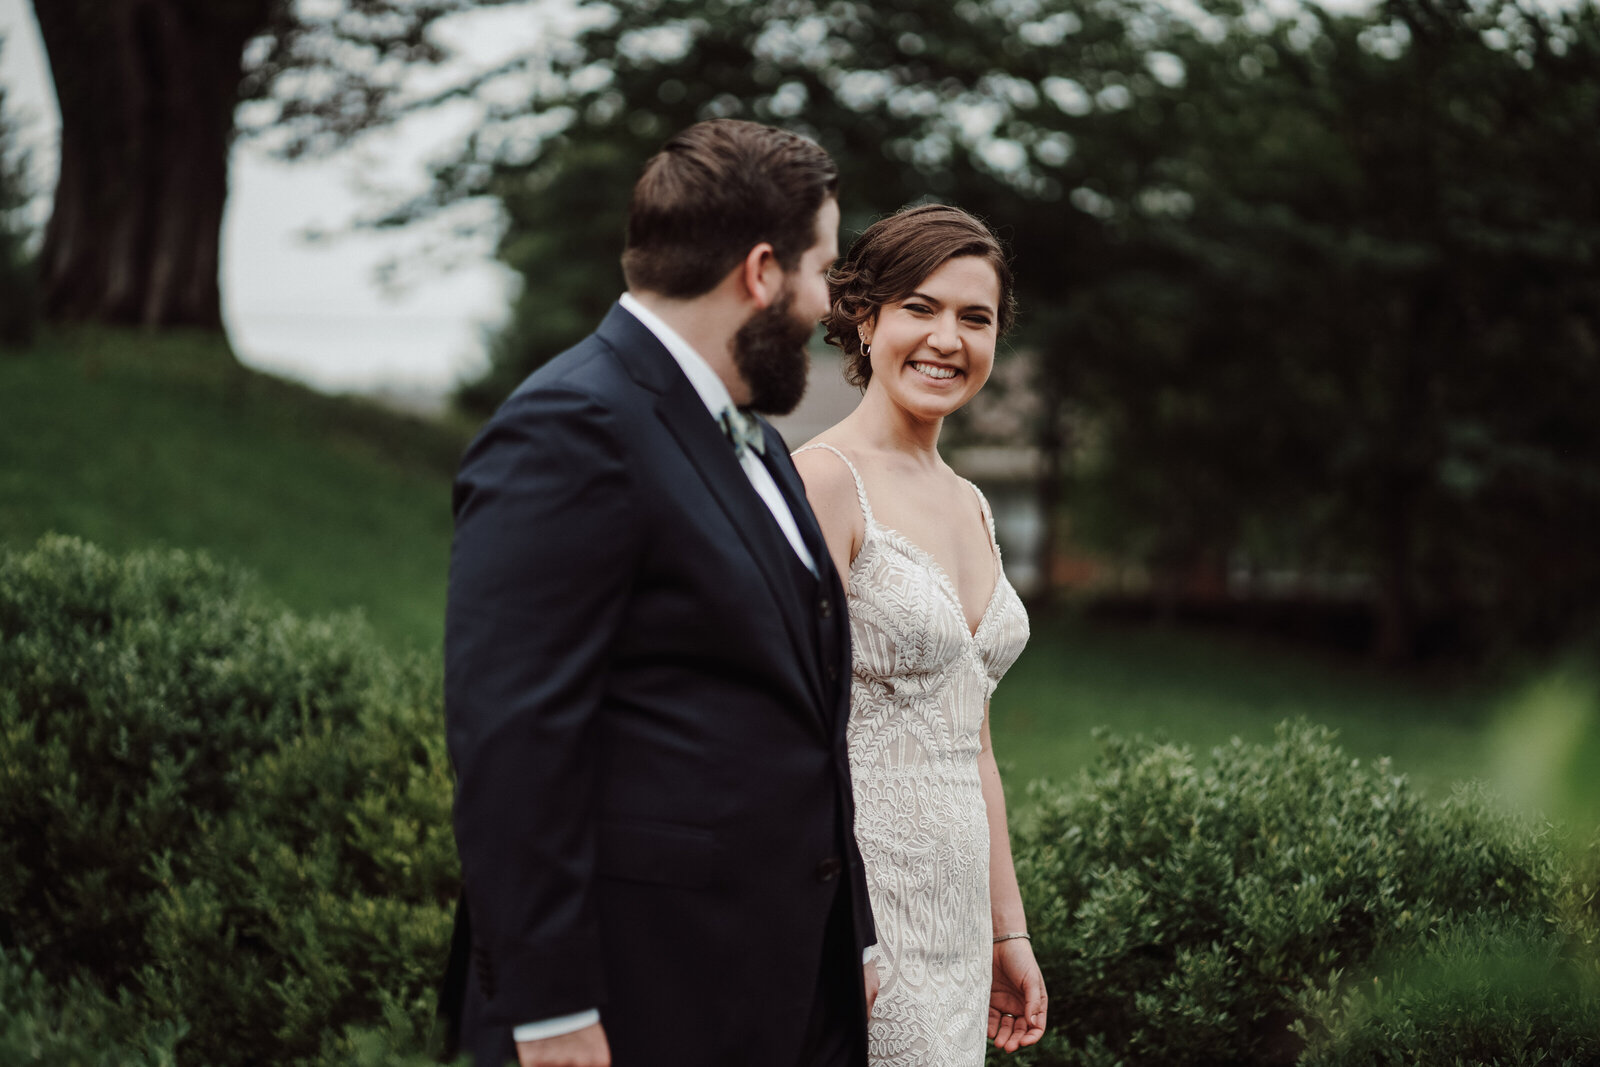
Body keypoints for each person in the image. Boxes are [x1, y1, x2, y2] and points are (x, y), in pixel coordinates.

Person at [440, 119, 877, 1067]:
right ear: (762, 272)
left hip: (780, 982)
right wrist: (548, 1010)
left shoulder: (749, 435)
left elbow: (794, 711)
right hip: (638, 999)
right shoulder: (571, 427)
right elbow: (515, 738)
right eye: (822, 271)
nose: (827, 303)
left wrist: (854, 933)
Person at [793, 203, 1047, 1066]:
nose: (948, 338)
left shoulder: (973, 502)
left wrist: (1005, 927)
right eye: (920, 307)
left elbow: (973, 742)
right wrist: (840, 936)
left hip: (958, 925)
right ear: (864, 318)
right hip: (861, 916)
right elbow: (791, 730)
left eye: (975, 318)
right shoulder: (824, 483)